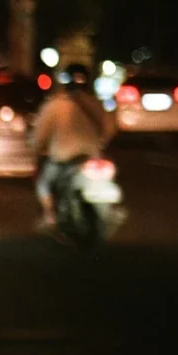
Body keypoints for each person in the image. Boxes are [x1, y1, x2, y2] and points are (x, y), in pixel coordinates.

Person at [30, 63, 116, 231]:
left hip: (63, 158)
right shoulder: (96, 104)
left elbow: (40, 134)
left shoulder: (55, 105)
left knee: (43, 184)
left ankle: (50, 216)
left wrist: (37, 147)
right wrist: (99, 143)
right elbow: (110, 128)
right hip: (92, 156)